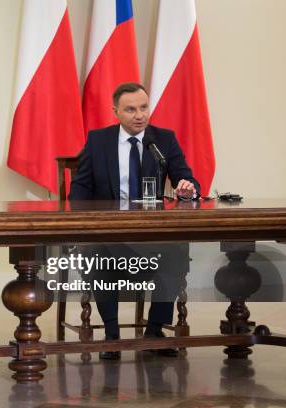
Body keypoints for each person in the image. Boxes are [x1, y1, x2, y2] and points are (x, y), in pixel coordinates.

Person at [69, 82, 199, 359]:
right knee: (97, 251)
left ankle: (154, 331)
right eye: (130, 109)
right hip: (109, 230)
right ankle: (112, 334)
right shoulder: (98, 140)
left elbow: (186, 178)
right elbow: (78, 191)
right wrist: (85, 225)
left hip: (152, 232)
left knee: (176, 251)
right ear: (115, 111)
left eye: (143, 107)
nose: (139, 115)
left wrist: (188, 189)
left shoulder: (163, 140)